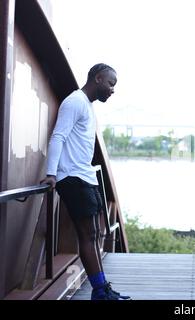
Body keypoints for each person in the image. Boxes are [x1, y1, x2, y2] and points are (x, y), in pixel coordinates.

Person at [41, 63, 131, 300]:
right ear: (98, 78)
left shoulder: (87, 106)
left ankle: (103, 289)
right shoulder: (75, 102)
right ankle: (100, 292)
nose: (113, 90)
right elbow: (58, 136)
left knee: (94, 234)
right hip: (72, 177)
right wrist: (51, 174)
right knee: (88, 236)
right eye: (111, 84)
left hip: (85, 176)